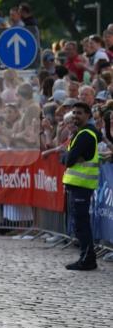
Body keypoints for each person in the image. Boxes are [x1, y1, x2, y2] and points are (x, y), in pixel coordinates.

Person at [62, 101, 101, 271]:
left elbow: (69, 160)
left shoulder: (85, 135)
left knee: (81, 224)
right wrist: (68, 157)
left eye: (79, 113)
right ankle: (86, 257)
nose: (75, 116)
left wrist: (68, 157)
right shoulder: (80, 133)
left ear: (88, 115)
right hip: (78, 185)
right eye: (74, 113)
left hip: (82, 185)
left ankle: (88, 259)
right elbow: (68, 158)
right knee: (79, 223)